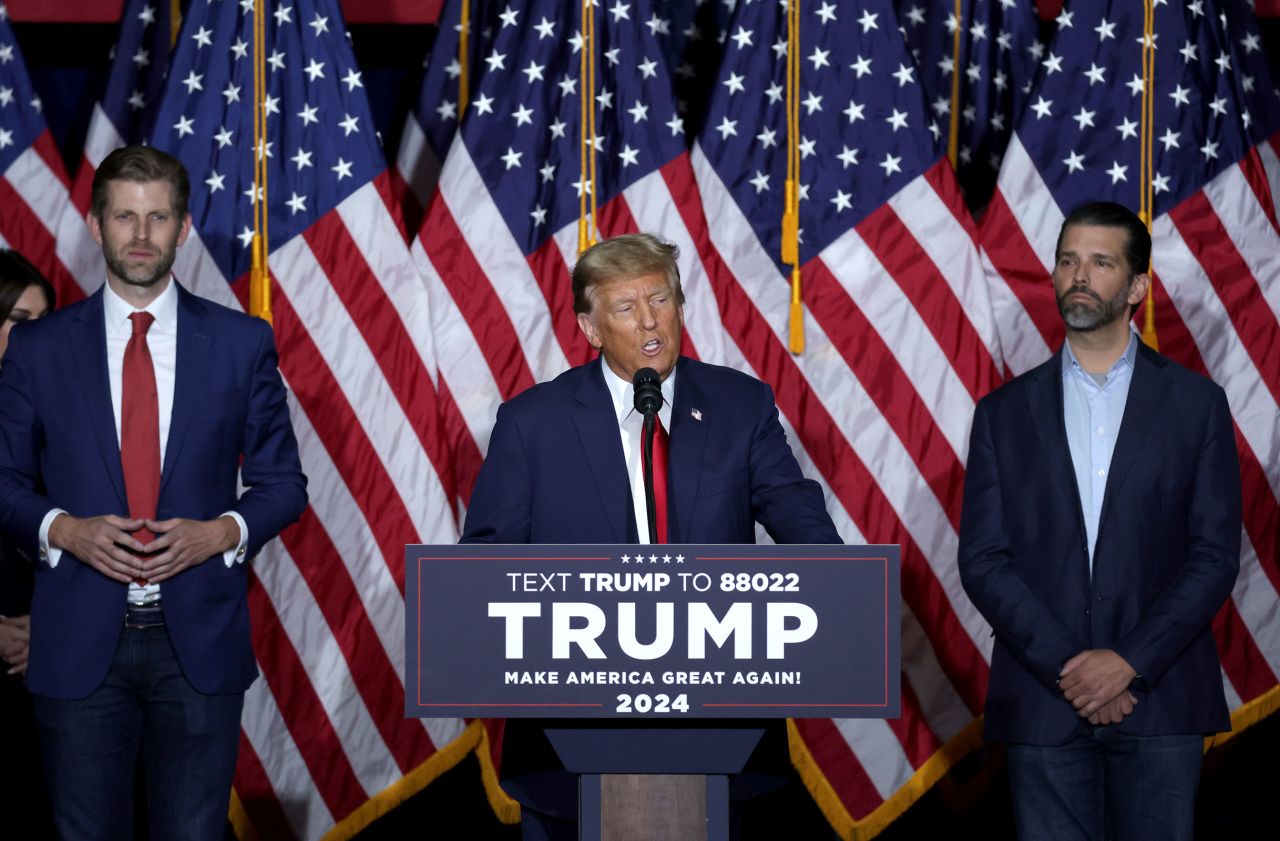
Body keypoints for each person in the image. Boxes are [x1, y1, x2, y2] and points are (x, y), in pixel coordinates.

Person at [462, 233, 842, 840]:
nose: (649, 321)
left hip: (719, 734)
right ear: (590, 329)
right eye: (625, 308)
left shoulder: (739, 405)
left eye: (660, 300)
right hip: (570, 742)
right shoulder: (533, 424)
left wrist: (838, 587)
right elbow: (482, 570)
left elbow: (802, 521)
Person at [0, 145, 308, 841]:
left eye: (157, 217)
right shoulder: (40, 348)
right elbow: (6, 482)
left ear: (184, 227)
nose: (141, 235)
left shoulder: (239, 342)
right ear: (96, 223)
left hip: (196, 639)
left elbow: (283, 484)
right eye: (125, 217)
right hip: (78, 639)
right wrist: (62, 528)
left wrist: (220, 532)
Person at [958, 201, 1240, 840]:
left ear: (1138, 286)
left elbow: (1213, 555)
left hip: (1161, 699)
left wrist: (1129, 662)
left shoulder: (1197, 406)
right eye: (1067, 260)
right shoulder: (1002, 413)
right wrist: (1073, 668)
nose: (1078, 275)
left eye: (1100, 262)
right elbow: (983, 559)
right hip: (1042, 702)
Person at [0, 249, 57, 838]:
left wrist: (53, 625)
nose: (33, 338)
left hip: (46, 676)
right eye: (19, 320)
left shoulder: (61, 425)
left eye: (44, 324)